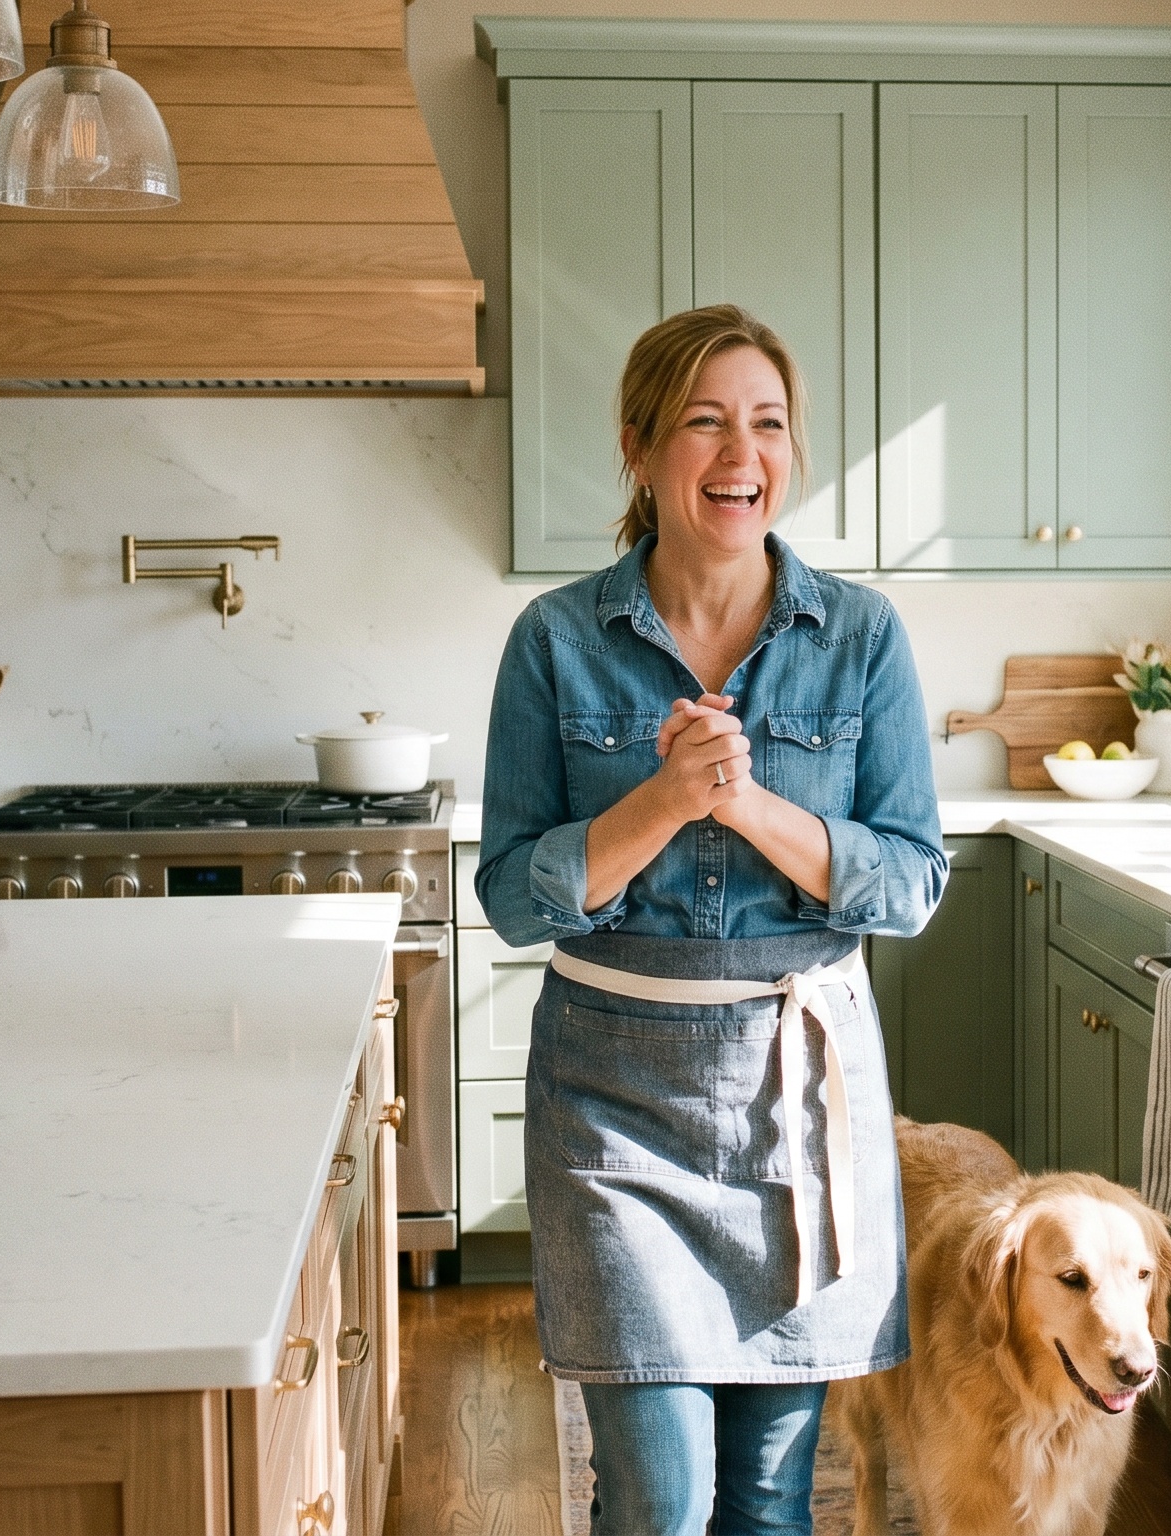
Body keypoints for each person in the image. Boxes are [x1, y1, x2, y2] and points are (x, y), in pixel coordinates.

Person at [476, 304, 947, 1535]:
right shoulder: (556, 641)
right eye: (705, 423)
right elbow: (511, 894)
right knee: (659, 1498)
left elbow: (910, 883)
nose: (742, 454)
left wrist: (746, 807)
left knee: (768, 1501)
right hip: (611, 1108)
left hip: (798, 1107)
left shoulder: (860, 636)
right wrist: (662, 802)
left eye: (768, 424)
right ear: (638, 449)